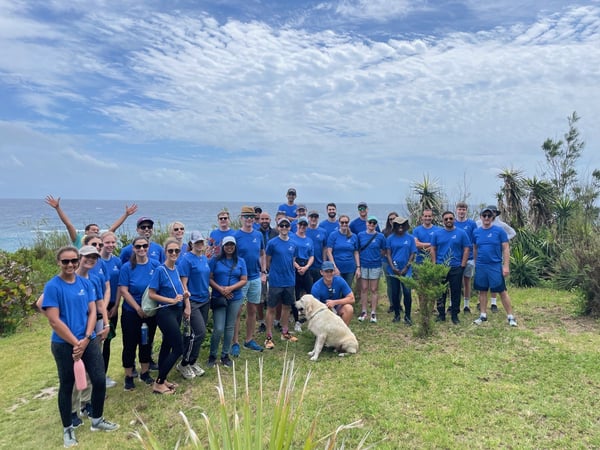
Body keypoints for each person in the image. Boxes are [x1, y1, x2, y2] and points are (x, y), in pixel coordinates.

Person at [41, 246, 119, 448]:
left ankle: (97, 420)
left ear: (78, 261)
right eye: (65, 261)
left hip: (88, 340)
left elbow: (93, 311)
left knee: (99, 380)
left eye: (73, 261)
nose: (70, 265)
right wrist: (76, 343)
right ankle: (68, 429)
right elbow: (54, 321)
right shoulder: (53, 286)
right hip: (64, 344)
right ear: (58, 262)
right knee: (67, 386)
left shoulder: (87, 282)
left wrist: (85, 339)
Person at [148, 238, 190, 393]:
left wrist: (184, 295)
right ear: (165, 252)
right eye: (170, 251)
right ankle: (158, 383)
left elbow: (177, 290)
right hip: (165, 311)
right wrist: (171, 300)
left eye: (176, 251)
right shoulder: (160, 270)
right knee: (178, 348)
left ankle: (163, 378)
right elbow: (152, 294)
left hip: (177, 310)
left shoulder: (176, 269)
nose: (174, 253)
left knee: (166, 345)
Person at [118, 236, 160, 391]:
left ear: (148, 247)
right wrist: (137, 308)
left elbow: (159, 286)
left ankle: (145, 372)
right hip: (131, 312)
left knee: (146, 343)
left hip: (150, 312)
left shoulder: (155, 265)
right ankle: (129, 376)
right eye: (138, 246)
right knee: (129, 344)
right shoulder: (127, 267)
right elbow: (123, 290)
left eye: (144, 246)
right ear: (133, 248)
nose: (141, 249)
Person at [472, 207, 518, 327]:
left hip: (495, 265)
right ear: (481, 217)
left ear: (493, 217)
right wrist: (476, 263)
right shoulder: (476, 232)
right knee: (482, 290)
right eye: (484, 215)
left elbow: (506, 248)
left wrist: (506, 266)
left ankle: (510, 316)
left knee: (502, 291)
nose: (486, 218)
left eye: (489, 216)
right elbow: (475, 248)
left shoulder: (499, 231)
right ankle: (483, 315)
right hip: (481, 266)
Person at [231, 206, 267, 355]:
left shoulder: (258, 235)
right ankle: (235, 342)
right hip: (240, 279)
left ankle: (249, 339)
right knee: (237, 311)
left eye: (251, 217)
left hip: (255, 278)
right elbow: (230, 256)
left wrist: (263, 272)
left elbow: (262, 254)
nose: (249, 219)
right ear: (241, 218)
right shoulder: (236, 235)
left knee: (252, 310)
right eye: (246, 217)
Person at [208, 236, 248, 367]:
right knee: (218, 328)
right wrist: (221, 289)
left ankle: (225, 354)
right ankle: (212, 355)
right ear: (223, 246)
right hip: (219, 298)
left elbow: (243, 279)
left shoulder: (241, 261)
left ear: (235, 246)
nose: (229, 247)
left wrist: (230, 289)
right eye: (227, 245)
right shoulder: (215, 261)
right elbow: (209, 278)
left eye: (232, 245)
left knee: (230, 326)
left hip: (235, 297)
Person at [176, 231, 210, 380]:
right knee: (198, 332)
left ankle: (192, 361)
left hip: (204, 299)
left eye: (201, 241)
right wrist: (187, 305)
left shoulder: (203, 258)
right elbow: (183, 284)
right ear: (191, 244)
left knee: (196, 334)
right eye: (196, 242)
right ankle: (183, 364)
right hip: (193, 301)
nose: (200, 244)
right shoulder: (186, 259)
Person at [45, 195, 137, 248]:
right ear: (86, 231)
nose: (96, 231)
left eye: (97, 230)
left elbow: (113, 228)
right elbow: (68, 224)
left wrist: (126, 215)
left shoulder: (100, 239)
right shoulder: (78, 239)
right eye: (93, 229)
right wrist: (58, 208)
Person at [264, 218, 299, 349]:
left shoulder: (294, 244)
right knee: (271, 308)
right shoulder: (272, 243)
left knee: (286, 307)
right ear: (278, 227)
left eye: (286, 225)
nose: (284, 227)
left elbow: (292, 260)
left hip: (289, 280)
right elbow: (268, 261)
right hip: (275, 281)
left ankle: (285, 333)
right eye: (281, 225)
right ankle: (268, 336)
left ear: (290, 227)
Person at [430, 211, 470, 324]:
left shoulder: (461, 233)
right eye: (446, 219)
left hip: (456, 267)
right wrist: (434, 264)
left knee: (456, 291)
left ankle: (454, 315)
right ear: (443, 221)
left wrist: (463, 264)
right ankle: (441, 314)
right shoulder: (437, 234)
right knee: (440, 292)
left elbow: (467, 248)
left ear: (454, 220)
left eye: (450, 218)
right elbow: (433, 248)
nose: (448, 220)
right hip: (441, 267)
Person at [99, 231, 122, 388]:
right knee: (96, 343)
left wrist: (116, 306)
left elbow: (120, 286)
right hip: (98, 307)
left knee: (107, 342)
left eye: (113, 242)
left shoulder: (117, 261)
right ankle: (93, 377)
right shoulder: (95, 261)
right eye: (107, 242)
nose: (110, 245)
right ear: (101, 243)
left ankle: (103, 375)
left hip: (113, 305)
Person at [386, 216, 417, 325]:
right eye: (398, 225)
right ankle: (397, 315)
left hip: (406, 271)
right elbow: (388, 254)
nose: (400, 227)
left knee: (407, 293)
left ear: (405, 226)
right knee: (395, 293)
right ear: (394, 226)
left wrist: (406, 267)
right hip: (393, 270)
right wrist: (393, 267)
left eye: (402, 225)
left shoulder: (410, 238)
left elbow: (413, 254)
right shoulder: (390, 238)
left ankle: (408, 316)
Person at [357, 216, 386, 323]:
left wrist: (377, 257)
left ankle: (373, 312)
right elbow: (357, 250)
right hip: (364, 264)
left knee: (374, 289)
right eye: (370, 222)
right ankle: (364, 311)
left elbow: (384, 250)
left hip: (375, 265)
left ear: (376, 224)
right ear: (366, 223)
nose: (372, 224)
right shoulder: (360, 235)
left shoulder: (380, 236)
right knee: (364, 288)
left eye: (374, 223)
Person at [310, 261, 355, 325]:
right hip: (323, 311)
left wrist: (335, 302)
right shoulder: (316, 287)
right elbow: (315, 308)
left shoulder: (339, 280)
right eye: (326, 271)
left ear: (334, 272)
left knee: (349, 308)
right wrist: (327, 308)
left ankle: (342, 331)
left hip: (337, 307)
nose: (329, 274)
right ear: (321, 272)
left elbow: (352, 299)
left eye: (331, 271)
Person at [292, 216, 315, 331]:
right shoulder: (292, 237)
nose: (302, 227)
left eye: (304, 225)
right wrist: (297, 267)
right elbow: (290, 255)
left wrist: (306, 267)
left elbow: (312, 256)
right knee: (295, 296)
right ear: (297, 225)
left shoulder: (309, 240)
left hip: (306, 267)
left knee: (310, 294)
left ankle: (309, 317)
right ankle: (296, 320)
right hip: (295, 267)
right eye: (300, 224)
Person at [454, 202, 478, 313]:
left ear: (466, 211)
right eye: (459, 209)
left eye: (463, 209)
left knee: (467, 281)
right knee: (454, 282)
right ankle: (452, 305)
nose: (461, 211)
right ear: (456, 210)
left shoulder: (472, 224)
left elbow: (475, 242)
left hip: (469, 257)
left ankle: (466, 305)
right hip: (455, 258)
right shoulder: (452, 222)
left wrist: (475, 258)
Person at [257, 212, 278, 332]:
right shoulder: (256, 233)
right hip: (259, 269)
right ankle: (261, 322)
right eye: (262, 219)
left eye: (267, 219)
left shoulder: (275, 233)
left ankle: (274, 320)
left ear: (270, 220)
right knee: (260, 298)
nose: (264, 221)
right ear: (259, 220)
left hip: (273, 269)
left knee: (273, 297)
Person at [326, 214, 360, 288]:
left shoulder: (354, 236)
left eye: (346, 222)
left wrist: (358, 267)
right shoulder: (333, 235)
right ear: (339, 223)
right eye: (342, 222)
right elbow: (329, 252)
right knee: (337, 289)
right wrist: (334, 267)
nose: (344, 224)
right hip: (337, 267)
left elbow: (356, 252)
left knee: (347, 289)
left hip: (350, 268)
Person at [382, 212, 399, 313]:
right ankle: (392, 304)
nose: (392, 221)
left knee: (399, 283)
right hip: (386, 261)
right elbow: (382, 247)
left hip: (399, 261)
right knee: (390, 284)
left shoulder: (402, 231)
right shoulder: (385, 232)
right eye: (390, 219)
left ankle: (398, 304)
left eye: (394, 219)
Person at [306, 210, 328, 283]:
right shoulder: (304, 230)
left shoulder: (323, 231)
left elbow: (325, 248)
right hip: (306, 265)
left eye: (315, 217)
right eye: (311, 216)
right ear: (308, 218)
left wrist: (324, 262)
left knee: (318, 287)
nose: (313, 219)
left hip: (318, 265)